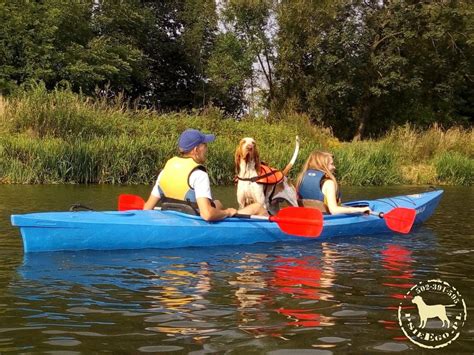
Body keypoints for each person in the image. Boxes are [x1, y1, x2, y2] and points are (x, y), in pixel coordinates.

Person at [144, 129, 267, 221]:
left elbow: (147, 208)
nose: (207, 149)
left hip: (175, 218)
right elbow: (207, 215)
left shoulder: (165, 171)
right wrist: (228, 212)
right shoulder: (198, 174)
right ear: (196, 149)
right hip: (194, 221)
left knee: (217, 203)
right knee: (258, 207)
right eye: (205, 145)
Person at [295, 151, 371, 215]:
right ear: (323, 165)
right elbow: (334, 210)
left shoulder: (301, 178)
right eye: (331, 164)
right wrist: (360, 210)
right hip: (325, 220)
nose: (334, 167)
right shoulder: (328, 183)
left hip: (306, 217)